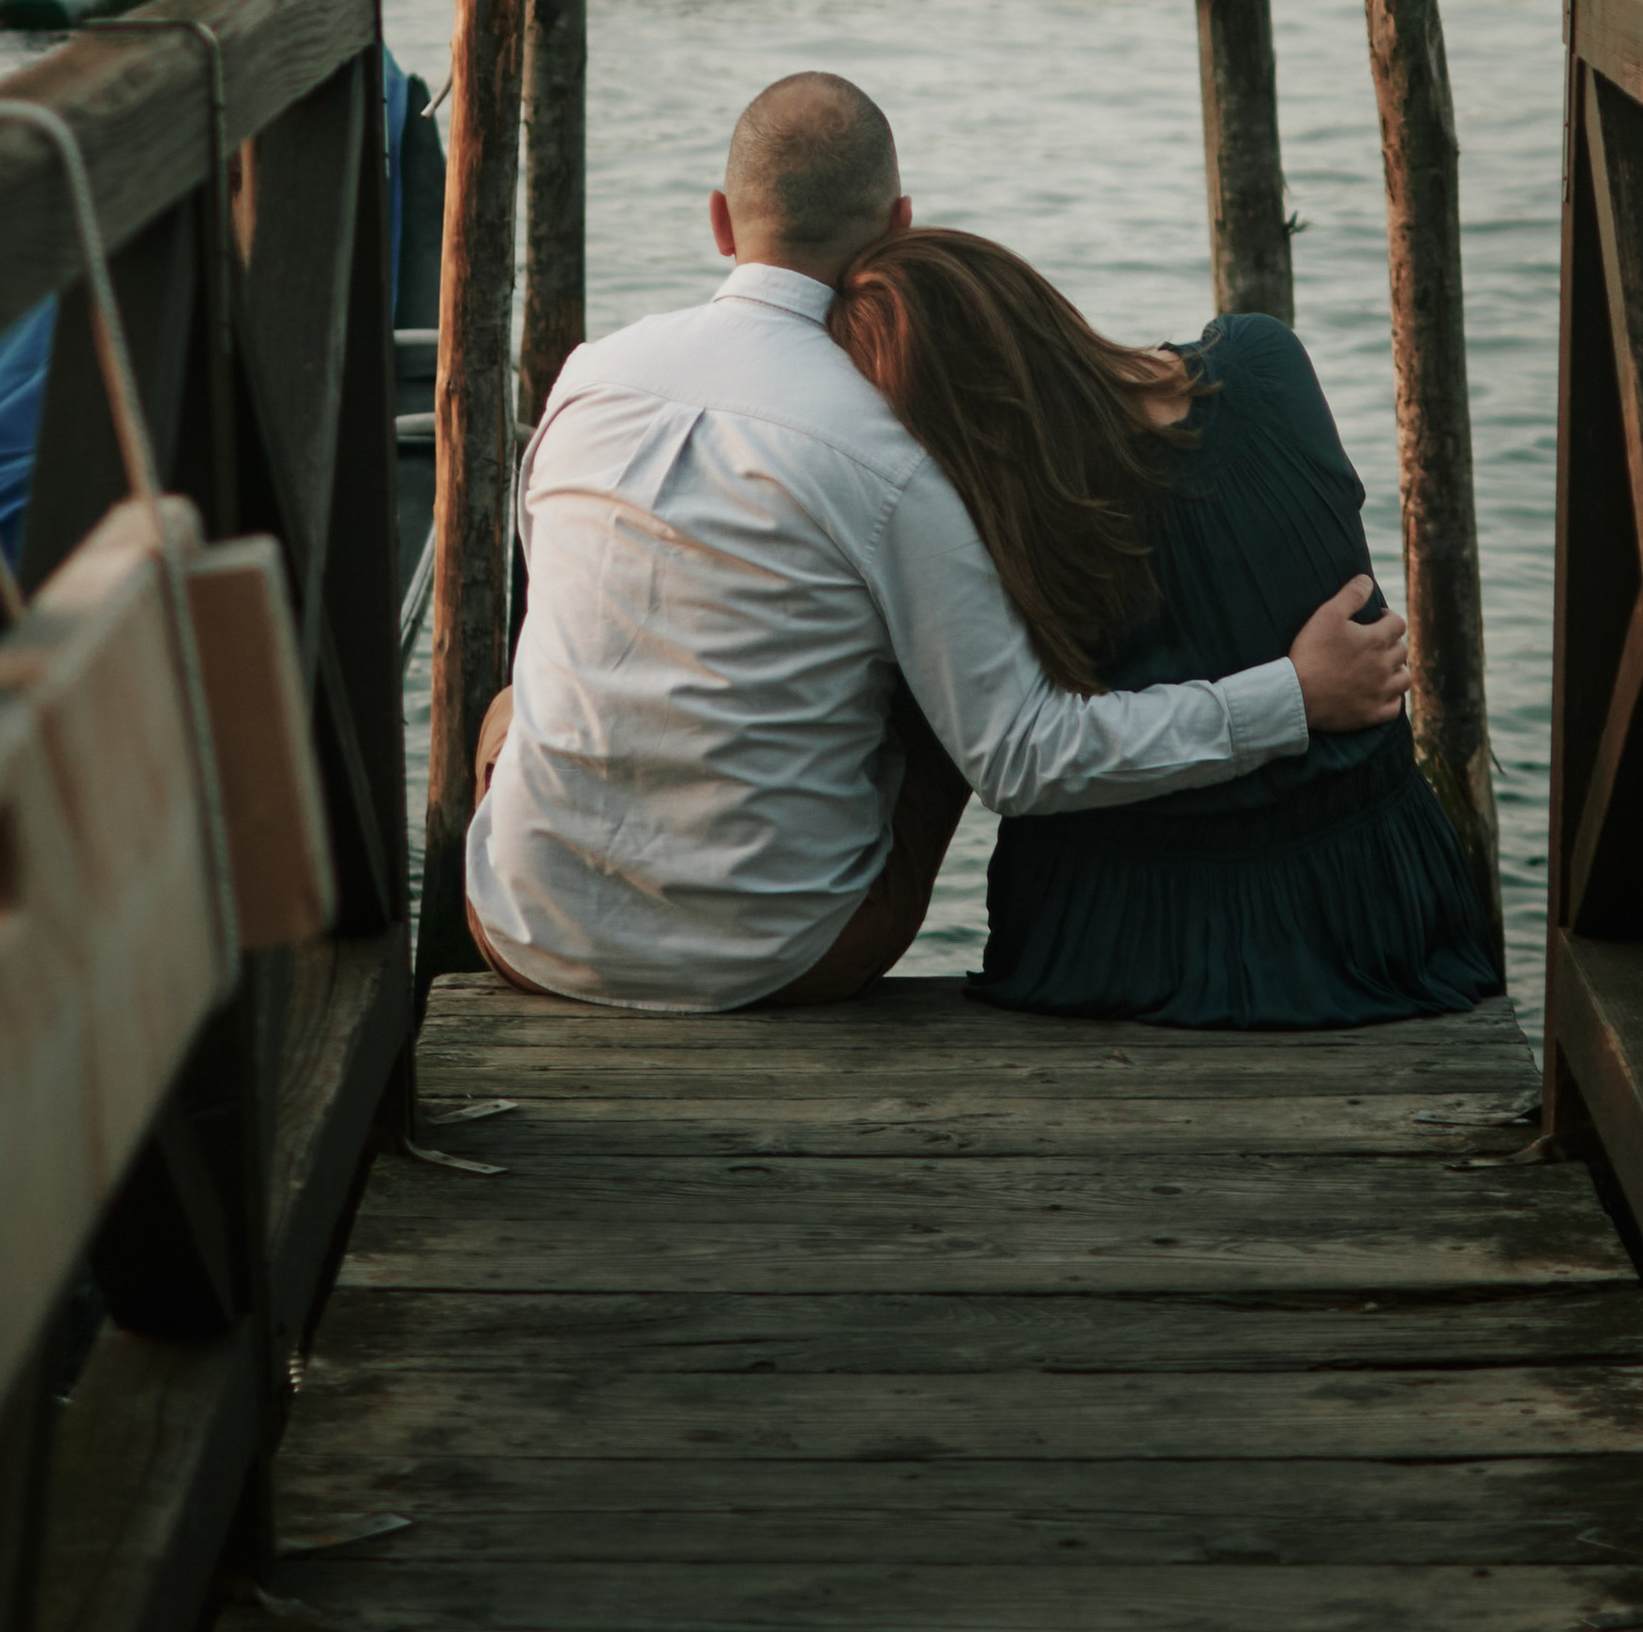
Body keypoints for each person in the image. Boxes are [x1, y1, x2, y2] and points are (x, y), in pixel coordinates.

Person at [464, 74, 1408, 1012]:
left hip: (522, 930)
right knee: (939, 678)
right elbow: (1023, 759)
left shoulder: (589, 378)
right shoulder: (899, 453)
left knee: (520, 699)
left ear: (721, 220)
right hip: (775, 959)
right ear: (901, 223)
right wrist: (1292, 696)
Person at [829, 226, 1500, 1027]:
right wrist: (1294, 689)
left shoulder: (1000, 528)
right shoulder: (1266, 358)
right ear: (1038, 300)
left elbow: (1019, 752)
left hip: (1115, 944)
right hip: (1373, 914)